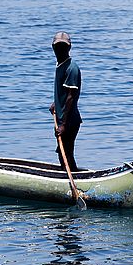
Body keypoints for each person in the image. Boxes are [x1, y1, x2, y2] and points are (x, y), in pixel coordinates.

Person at [49, 31, 83, 171]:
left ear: (69, 48)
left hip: (69, 120)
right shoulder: (61, 65)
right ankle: (69, 174)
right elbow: (63, 93)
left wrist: (63, 124)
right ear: (53, 47)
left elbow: (70, 97)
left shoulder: (71, 68)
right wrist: (55, 103)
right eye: (58, 47)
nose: (60, 50)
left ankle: (73, 179)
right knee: (63, 154)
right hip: (63, 118)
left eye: (63, 47)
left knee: (66, 154)